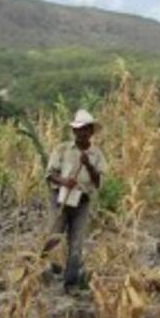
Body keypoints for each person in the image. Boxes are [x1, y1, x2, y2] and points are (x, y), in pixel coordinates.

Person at [45, 109, 107, 292]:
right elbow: (50, 175)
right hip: (60, 198)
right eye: (78, 129)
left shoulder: (97, 155)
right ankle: (41, 268)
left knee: (77, 241)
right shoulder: (62, 149)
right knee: (54, 235)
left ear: (91, 131)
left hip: (82, 201)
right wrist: (64, 181)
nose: (81, 133)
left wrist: (88, 165)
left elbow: (98, 182)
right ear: (74, 131)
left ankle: (70, 282)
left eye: (85, 129)